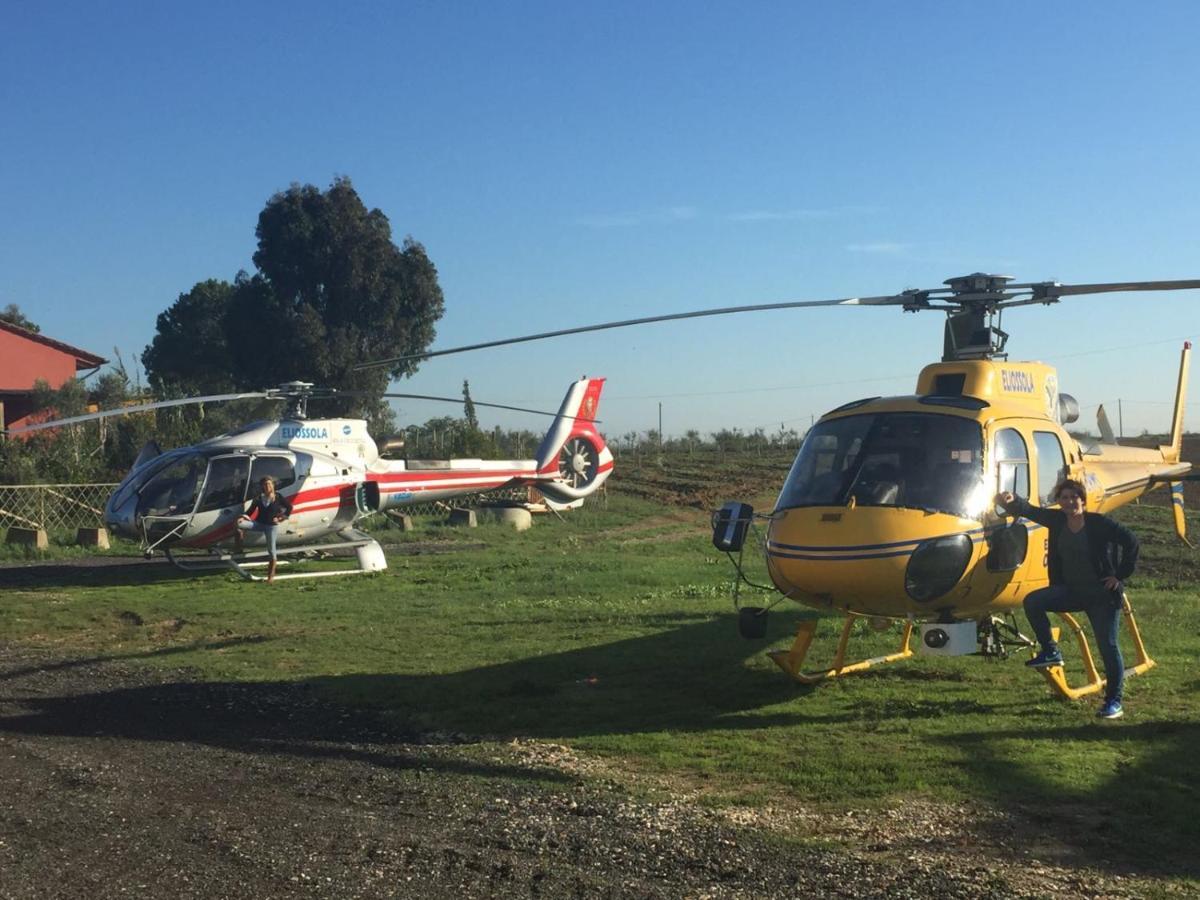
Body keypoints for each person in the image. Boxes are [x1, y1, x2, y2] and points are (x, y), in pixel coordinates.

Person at [994, 479, 1138, 719]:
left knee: (1108, 647)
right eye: (1064, 498)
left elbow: (1131, 541)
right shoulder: (1057, 520)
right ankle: (1051, 651)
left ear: (1082, 499)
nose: (1070, 502)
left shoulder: (1097, 523)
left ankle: (1114, 701)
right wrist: (1010, 500)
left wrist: (1119, 575)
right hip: (1071, 592)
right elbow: (1030, 511)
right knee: (1033, 601)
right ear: (1058, 502)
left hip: (1101, 596)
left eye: (1074, 497)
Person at [236, 476, 292, 583]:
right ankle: (239, 548)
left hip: (271, 526)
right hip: (259, 524)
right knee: (238, 525)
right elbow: (250, 512)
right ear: (263, 487)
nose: (267, 486)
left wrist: (281, 518)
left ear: (273, 485)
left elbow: (289, 508)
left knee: (271, 551)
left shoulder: (278, 497)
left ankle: (270, 576)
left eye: (269, 484)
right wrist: (242, 517)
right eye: (265, 484)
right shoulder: (258, 498)